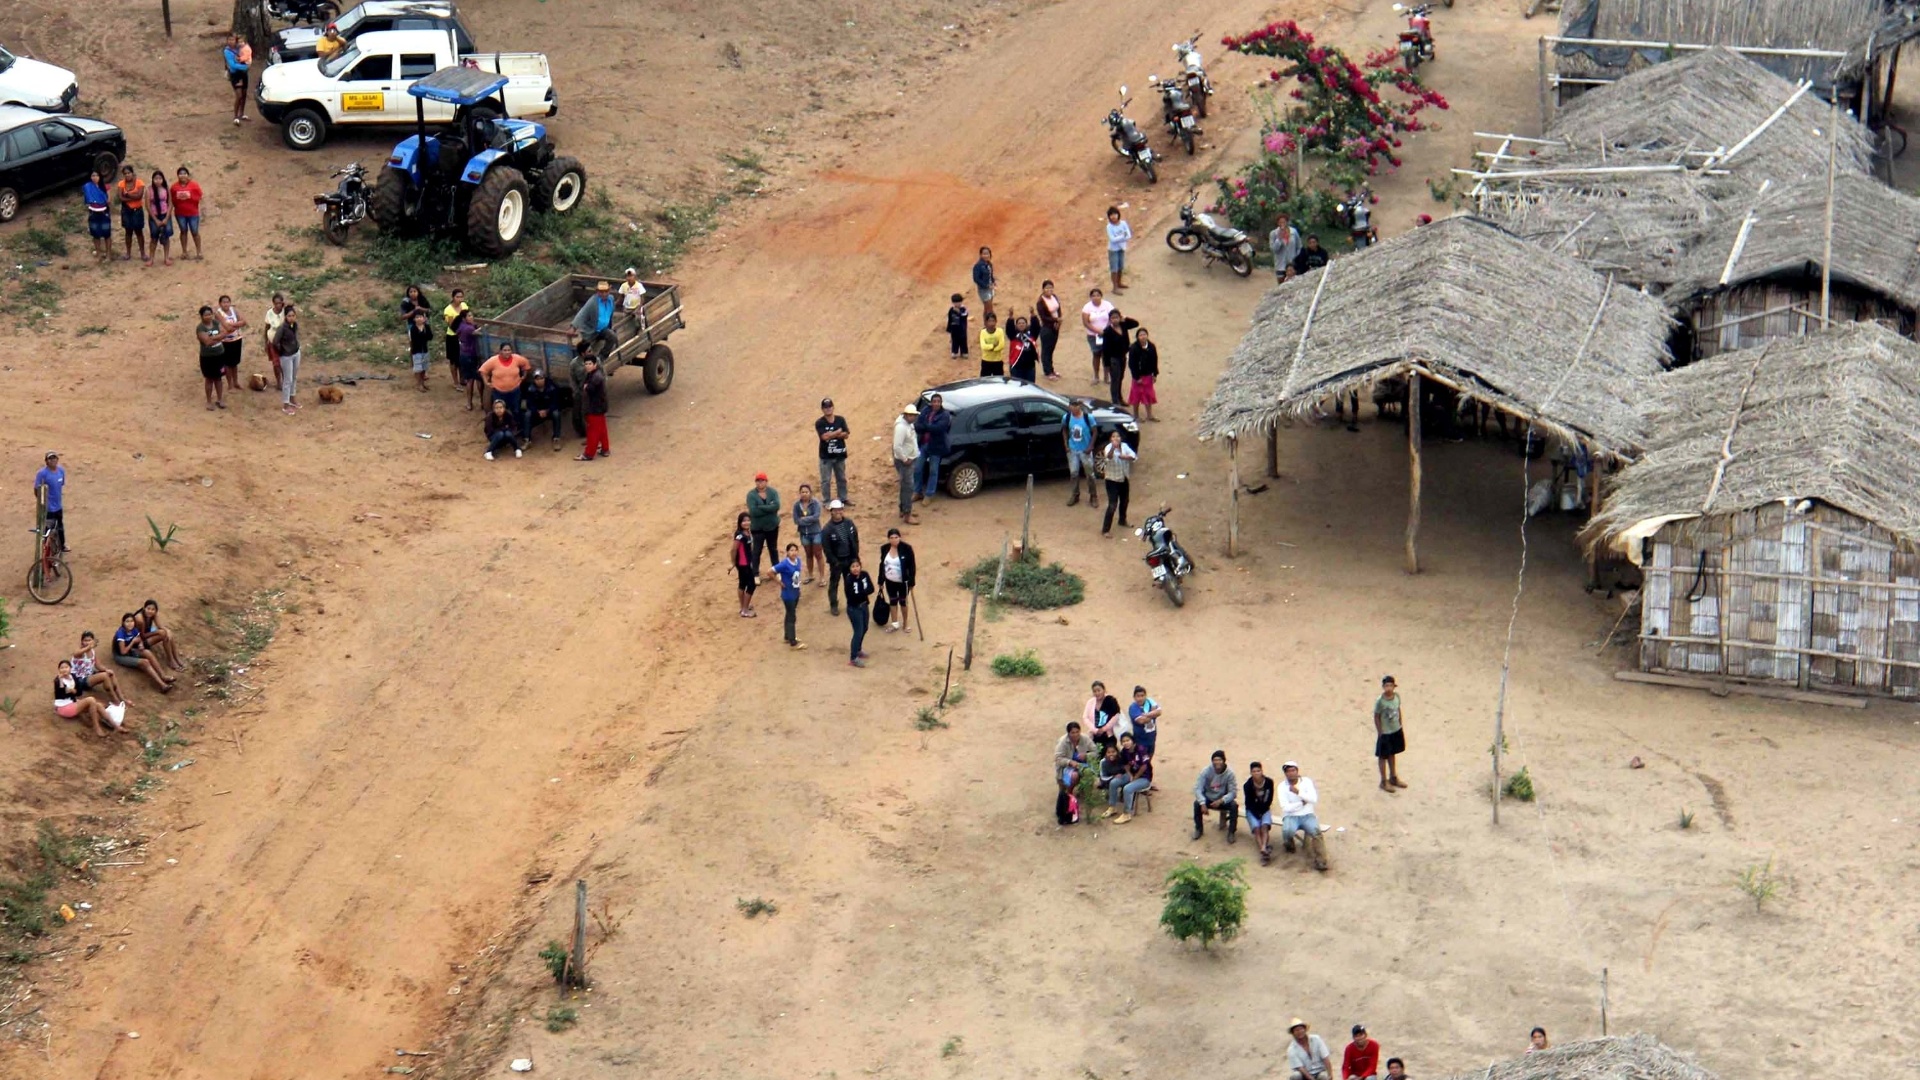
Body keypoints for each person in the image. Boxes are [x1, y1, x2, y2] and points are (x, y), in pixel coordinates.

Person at [1279, 761, 1329, 871]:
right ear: (1285, 773)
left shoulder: (1306, 782)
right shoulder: (1282, 786)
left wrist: (1299, 793)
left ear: (1297, 771)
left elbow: (1313, 799)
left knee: (1317, 833)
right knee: (1287, 831)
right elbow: (1286, 807)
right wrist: (1301, 803)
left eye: (1293, 770)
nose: (1291, 773)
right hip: (1291, 816)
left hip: (1307, 814)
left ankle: (1321, 861)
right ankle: (1289, 844)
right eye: (1288, 771)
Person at [55, 660, 121, 737]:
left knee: (98, 705)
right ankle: (97, 728)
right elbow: (61, 693)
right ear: (59, 670)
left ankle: (116, 726)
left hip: (72, 703)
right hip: (63, 707)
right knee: (91, 700)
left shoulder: (73, 677)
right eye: (62, 668)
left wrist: (73, 691)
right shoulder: (58, 680)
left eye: (66, 667)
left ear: (70, 668)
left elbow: (79, 693)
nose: (64, 669)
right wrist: (61, 682)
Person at [113, 612, 173, 691]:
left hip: (130, 650)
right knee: (145, 662)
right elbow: (123, 652)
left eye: (132, 621)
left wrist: (140, 644)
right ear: (123, 623)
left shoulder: (134, 630)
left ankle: (163, 676)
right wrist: (133, 642)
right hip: (120, 656)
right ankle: (162, 685)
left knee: (147, 652)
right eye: (127, 621)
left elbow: (139, 639)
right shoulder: (121, 633)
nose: (130, 624)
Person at [1052, 721, 1095, 824]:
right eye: (1072, 732)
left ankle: (1087, 795)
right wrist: (1070, 762)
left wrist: (1086, 756)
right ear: (1068, 733)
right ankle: (1069, 795)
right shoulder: (1063, 742)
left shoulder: (1085, 739)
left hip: (1083, 765)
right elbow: (1058, 758)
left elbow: (1095, 751)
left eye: (1077, 732)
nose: (1075, 734)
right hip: (1066, 767)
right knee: (1074, 776)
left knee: (1089, 773)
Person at [822, 500, 859, 617]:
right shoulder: (827, 529)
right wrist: (834, 561)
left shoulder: (849, 523)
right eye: (835, 510)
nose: (838, 512)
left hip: (850, 559)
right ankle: (834, 605)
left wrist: (855, 556)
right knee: (834, 583)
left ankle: (852, 602)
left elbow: (855, 539)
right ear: (831, 512)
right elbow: (826, 548)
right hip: (837, 561)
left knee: (850, 582)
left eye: (840, 510)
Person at [480, 343, 532, 427]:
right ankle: (500, 427)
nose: (507, 352)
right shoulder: (493, 360)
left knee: (516, 410)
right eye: (505, 350)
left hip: (514, 391)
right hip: (499, 392)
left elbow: (526, 364)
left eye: (509, 350)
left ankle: (516, 426)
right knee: (500, 411)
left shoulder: (517, 358)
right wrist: (486, 382)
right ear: (500, 351)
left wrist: (524, 376)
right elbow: (483, 370)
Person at [1192, 750, 1238, 842]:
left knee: (1234, 806)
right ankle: (1199, 829)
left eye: (1219, 760)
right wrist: (1202, 802)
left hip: (1222, 799)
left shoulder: (1230, 774)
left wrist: (1222, 800)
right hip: (1208, 798)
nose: (1217, 762)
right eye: (1215, 760)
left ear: (1224, 761)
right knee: (1196, 804)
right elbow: (1197, 788)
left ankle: (1231, 832)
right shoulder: (1206, 771)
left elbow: (1233, 792)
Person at [1098, 307, 1140, 406]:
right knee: (1115, 380)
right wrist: (1106, 365)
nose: (1115, 320)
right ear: (1110, 320)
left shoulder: (1123, 325)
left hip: (1122, 356)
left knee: (1120, 378)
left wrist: (1125, 318)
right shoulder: (1107, 331)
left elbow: (1136, 324)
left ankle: (1119, 398)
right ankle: (1115, 401)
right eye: (1113, 318)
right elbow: (1105, 349)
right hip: (1113, 359)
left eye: (1117, 317)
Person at [1061, 399, 1099, 509]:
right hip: (1073, 450)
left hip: (1085, 450)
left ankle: (1093, 495)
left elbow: (1095, 431)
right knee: (1074, 473)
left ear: (1080, 406)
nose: (1073, 408)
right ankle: (1075, 494)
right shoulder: (1067, 417)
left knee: (1090, 474)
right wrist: (1066, 444)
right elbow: (1064, 430)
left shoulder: (1088, 418)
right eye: (1072, 405)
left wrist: (1090, 446)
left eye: (1076, 405)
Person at [913, 393, 950, 502]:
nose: (936, 404)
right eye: (934, 401)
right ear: (931, 402)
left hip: (936, 447)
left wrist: (926, 426)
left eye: (938, 402)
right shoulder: (925, 410)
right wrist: (928, 427)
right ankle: (917, 492)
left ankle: (929, 495)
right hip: (924, 445)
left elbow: (939, 429)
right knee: (917, 468)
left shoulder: (944, 415)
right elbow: (917, 426)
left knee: (933, 471)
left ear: (941, 403)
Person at [570, 279, 620, 360]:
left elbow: (611, 311)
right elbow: (582, 313)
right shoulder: (593, 302)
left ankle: (602, 357)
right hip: (591, 330)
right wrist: (573, 327)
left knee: (612, 337)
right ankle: (581, 362)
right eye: (601, 292)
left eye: (606, 291)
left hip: (603, 330)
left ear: (609, 291)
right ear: (597, 291)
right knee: (584, 348)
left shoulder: (611, 299)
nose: (604, 294)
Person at [72, 631, 127, 705]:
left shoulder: (92, 652)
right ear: (82, 642)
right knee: (104, 676)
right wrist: (89, 647)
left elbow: (98, 665)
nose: (88, 642)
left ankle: (122, 698)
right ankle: (115, 700)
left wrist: (107, 670)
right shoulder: (80, 652)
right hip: (79, 680)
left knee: (110, 673)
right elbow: (76, 653)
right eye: (85, 640)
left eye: (90, 640)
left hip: (89, 675)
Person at [877, 527, 915, 632]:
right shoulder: (884, 548)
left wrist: (912, 581)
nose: (894, 540)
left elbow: (912, 566)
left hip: (903, 581)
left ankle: (905, 624)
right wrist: (881, 580)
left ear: (900, 537)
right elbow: (882, 565)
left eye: (896, 537)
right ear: (888, 539)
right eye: (891, 538)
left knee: (903, 602)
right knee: (892, 601)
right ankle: (894, 624)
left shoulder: (907, 548)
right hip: (890, 581)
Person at [1374, 674, 1408, 793]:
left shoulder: (1397, 697)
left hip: (1395, 729)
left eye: (1391, 685)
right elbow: (1376, 716)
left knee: (1392, 754)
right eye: (1386, 686)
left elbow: (1398, 709)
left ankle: (1393, 777)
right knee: (1383, 756)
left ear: (1394, 687)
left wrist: (1400, 723)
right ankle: (1384, 781)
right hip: (1385, 732)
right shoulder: (1380, 701)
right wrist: (1380, 731)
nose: (1389, 688)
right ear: (1383, 687)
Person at [1100, 429, 1137, 536]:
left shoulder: (1125, 446)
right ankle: (1105, 530)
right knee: (1112, 505)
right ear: (1110, 439)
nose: (1116, 438)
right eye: (1113, 437)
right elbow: (1109, 457)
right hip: (1112, 480)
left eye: (1118, 436)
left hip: (1123, 478)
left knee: (1125, 501)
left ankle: (1122, 520)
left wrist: (1125, 457)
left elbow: (1133, 456)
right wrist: (1113, 447)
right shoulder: (1108, 448)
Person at [815, 398, 851, 505]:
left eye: (830, 406)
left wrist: (832, 434)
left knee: (841, 478)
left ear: (833, 407)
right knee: (825, 480)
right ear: (822, 409)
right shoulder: (820, 422)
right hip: (826, 457)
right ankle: (826, 501)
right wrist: (838, 432)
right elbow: (824, 437)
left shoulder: (840, 419)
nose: (828, 409)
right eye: (826, 407)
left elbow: (847, 434)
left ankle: (843, 498)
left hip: (839, 454)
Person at [1111, 731, 1152, 822]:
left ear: (1132, 740)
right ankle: (1112, 807)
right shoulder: (1124, 751)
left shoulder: (1141, 749)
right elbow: (1125, 764)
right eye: (1123, 741)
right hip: (1132, 775)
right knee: (1114, 782)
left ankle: (1127, 814)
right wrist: (1129, 774)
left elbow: (1144, 766)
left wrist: (1135, 777)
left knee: (1127, 789)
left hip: (1144, 778)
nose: (1126, 743)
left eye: (1128, 740)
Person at [746, 473, 783, 574]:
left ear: (766, 481)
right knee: (757, 551)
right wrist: (769, 508)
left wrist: (761, 507)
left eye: (762, 480)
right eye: (757, 481)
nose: (760, 483)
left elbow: (776, 506)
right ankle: (755, 573)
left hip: (772, 527)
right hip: (757, 528)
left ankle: (776, 571)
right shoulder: (751, 495)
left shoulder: (773, 492)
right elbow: (753, 512)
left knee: (773, 549)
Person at [135, 599, 185, 672]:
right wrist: (157, 632)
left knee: (167, 634)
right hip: (139, 641)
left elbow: (160, 626)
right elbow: (142, 636)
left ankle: (176, 658)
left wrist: (167, 630)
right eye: (148, 609)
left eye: (153, 609)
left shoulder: (153, 614)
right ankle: (171, 660)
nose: (150, 611)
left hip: (146, 634)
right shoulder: (140, 619)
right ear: (144, 608)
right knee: (163, 634)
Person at [773, 542, 805, 649]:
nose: (793, 552)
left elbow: (797, 577)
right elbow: (770, 571)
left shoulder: (798, 561)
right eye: (791, 550)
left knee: (789, 614)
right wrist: (779, 582)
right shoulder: (784, 564)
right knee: (792, 616)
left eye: (795, 550)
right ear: (787, 552)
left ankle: (787, 636)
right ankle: (792, 641)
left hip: (795, 592)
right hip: (788, 594)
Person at [273, 303, 303, 414]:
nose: (291, 318)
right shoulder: (282, 328)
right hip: (286, 356)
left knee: (294, 377)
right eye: (289, 316)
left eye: (293, 315)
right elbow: (275, 341)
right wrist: (282, 351)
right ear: (285, 317)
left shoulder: (294, 325)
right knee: (287, 380)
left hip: (295, 353)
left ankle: (292, 399)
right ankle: (285, 405)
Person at [844, 556, 874, 667]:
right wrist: (863, 593)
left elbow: (871, 588)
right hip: (854, 608)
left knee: (865, 628)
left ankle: (858, 650)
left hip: (864, 605)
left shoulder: (864, 574)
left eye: (857, 566)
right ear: (850, 568)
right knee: (858, 631)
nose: (856, 569)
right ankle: (853, 658)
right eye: (853, 567)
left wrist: (861, 593)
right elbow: (851, 596)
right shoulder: (849, 579)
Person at [33, 451, 66, 554]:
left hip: (58, 506)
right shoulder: (42, 473)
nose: (53, 460)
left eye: (54, 458)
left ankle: (62, 546)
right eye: (50, 459)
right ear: (46, 462)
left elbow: (61, 485)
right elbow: (37, 489)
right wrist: (43, 502)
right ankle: (45, 551)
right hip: (48, 508)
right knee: (47, 530)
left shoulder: (61, 471)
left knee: (60, 527)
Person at [196, 306, 228, 411]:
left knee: (218, 378)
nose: (209, 316)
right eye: (206, 315)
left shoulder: (215, 323)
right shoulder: (200, 328)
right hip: (207, 357)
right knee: (209, 379)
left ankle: (220, 399)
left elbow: (224, 333)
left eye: (210, 314)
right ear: (201, 316)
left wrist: (213, 338)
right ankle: (209, 401)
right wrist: (219, 337)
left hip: (219, 355)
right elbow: (207, 342)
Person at [523, 370, 566, 449]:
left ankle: (556, 438)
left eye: (541, 378)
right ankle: (527, 440)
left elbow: (556, 402)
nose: (539, 381)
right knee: (527, 415)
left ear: (544, 379)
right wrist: (537, 411)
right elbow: (529, 404)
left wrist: (547, 410)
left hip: (549, 410)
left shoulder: (552, 387)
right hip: (537, 411)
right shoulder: (530, 389)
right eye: (537, 379)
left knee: (556, 414)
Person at [892, 405, 919, 525]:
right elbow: (897, 446)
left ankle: (903, 509)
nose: (913, 417)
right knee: (908, 487)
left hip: (909, 459)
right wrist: (905, 459)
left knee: (905, 486)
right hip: (906, 461)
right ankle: (907, 514)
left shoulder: (907, 424)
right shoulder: (901, 427)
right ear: (906, 415)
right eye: (911, 415)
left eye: (914, 415)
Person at [1245, 761, 1277, 864]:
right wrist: (1256, 813)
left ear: (1262, 771)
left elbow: (1269, 799)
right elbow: (1248, 802)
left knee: (1265, 827)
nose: (1256, 773)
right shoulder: (1248, 785)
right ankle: (1263, 849)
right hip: (1252, 810)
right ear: (1251, 773)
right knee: (1257, 829)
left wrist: (1262, 811)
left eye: (1258, 771)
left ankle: (1263, 848)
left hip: (1265, 808)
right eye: (1254, 771)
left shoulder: (1268, 782)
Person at [1080, 287, 1115, 382]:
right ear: (1090, 297)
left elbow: (1113, 317)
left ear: (1101, 296)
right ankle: (1096, 376)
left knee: (1106, 355)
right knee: (1096, 354)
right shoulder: (1087, 307)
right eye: (1093, 296)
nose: (1096, 297)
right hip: (1093, 335)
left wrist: (1105, 330)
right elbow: (1086, 322)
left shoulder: (1107, 305)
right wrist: (1097, 331)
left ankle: (1106, 376)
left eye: (1098, 295)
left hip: (1107, 334)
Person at [792, 484, 824, 585]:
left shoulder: (816, 503)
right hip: (804, 534)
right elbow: (796, 520)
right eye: (802, 492)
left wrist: (803, 519)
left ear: (810, 493)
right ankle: (810, 575)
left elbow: (816, 517)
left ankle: (822, 577)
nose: (804, 494)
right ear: (800, 493)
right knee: (808, 554)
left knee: (818, 554)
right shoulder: (797, 505)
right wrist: (808, 520)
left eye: (806, 492)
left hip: (816, 532)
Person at [578, 356, 610, 460]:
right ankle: (605, 449)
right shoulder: (595, 374)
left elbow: (589, 389)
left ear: (595, 364)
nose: (588, 366)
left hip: (595, 408)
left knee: (593, 431)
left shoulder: (596, 377)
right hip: (600, 407)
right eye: (586, 364)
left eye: (590, 364)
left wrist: (586, 387)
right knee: (602, 429)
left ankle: (589, 454)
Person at [215, 294, 247, 393]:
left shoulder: (234, 310)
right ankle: (230, 385)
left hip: (236, 339)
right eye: (224, 302)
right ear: (220, 304)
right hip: (226, 342)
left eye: (228, 302)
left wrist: (232, 325)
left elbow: (244, 321)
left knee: (235, 363)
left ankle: (236, 382)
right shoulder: (218, 314)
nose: (226, 304)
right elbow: (226, 328)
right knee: (228, 364)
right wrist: (237, 325)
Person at [115, 165, 147, 264]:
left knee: (139, 232)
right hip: (127, 210)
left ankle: (143, 253)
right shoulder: (121, 183)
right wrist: (133, 196)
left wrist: (128, 195)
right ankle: (128, 252)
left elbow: (140, 196)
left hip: (136, 210)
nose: (127, 175)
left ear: (132, 173)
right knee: (128, 232)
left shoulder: (139, 182)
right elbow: (121, 198)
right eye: (125, 173)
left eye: (129, 173)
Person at [1127, 327, 1159, 422]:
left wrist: (1155, 374)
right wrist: (1136, 377)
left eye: (1144, 334)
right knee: (1136, 396)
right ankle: (1136, 416)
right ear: (1137, 337)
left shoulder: (1151, 346)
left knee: (1148, 395)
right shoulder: (1133, 348)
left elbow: (1155, 361)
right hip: (1138, 377)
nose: (1143, 337)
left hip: (1148, 375)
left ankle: (1150, 415)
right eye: (1140, 335)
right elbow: (1132, 364)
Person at [172, 166, 204, 260]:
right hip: (180, 213)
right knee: (183, 231)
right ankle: (184, 252)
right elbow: (172, 199)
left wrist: (190, 197)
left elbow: (199, 197)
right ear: (178, 175)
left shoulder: (194, 186)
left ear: (188, 175)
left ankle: (199, 252)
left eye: (184, 173)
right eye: (180, 174)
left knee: (195, 232)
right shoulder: (174, 187)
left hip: (193, 213)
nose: (182, 175)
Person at [144, 169, 174, 267]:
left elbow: (170, 204)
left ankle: (166, 257)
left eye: (159, 178)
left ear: (163, 179)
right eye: (155, 179)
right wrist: (155, 219)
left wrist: (166, 218)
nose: (157, 181)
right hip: (154, 216)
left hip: (165, 214)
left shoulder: (166, 189)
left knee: (166, 236)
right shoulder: (149, 190)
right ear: (152, 180)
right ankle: (151, 258)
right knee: (154, 237)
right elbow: (148, 206)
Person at [1035, 280, 1063, 379]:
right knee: (1046, 350)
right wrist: (1056, 320)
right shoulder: (1040, 302)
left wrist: (1059, 320)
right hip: (1047, 328)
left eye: (1051, 287)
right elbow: (1044, 317)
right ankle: (1047, 371)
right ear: (1043, 289)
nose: (1049, 290)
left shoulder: (1054, 297)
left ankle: (1051, 369)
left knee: (1051, 349)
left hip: (1055, 326)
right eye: (1047, 288)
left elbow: (1059, 309)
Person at [443, 288, 471, 388]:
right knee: (453, 360)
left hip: (463, 335)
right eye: (457, 297)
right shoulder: (448, 310)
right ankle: (455, 382)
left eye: (461, 297)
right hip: (452, 336)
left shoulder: (464, 306)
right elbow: (451, 325)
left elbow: (468, 318)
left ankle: (462, 378)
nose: (459, 299)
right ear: (453, 297)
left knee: (461, 358)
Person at [731, 512, 757, 618]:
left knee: (742, 584)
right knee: (751, 585)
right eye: (744, 521)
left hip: (746, 563)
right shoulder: (740, 535)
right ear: (740, 522)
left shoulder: (747, 532)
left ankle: (743, 607)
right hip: (743, 564)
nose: (746, 522)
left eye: (748, 520)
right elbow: (733, 550)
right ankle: (745, 610)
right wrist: (733, 563)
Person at [455, 308, 482, 410]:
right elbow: (479, 332)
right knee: (478, 380)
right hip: (471, 356)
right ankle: (482, 403)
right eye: (469, 316)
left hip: (464, 354)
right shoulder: (469, 329)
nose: (472, 317)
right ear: (463, 318)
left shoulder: (462, 326)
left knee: (470, 379)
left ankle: (469, 404)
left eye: (472, 315)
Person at [222, 34, 251, 125]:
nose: (231, 42)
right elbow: (232, 65)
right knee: (239, 95)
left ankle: (241, 113)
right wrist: (245, 67)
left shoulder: (240, 47)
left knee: (244, 93)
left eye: (233, 40)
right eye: (229, 40)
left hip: (243, 74)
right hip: (235, 75)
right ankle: (235, 116)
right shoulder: (227, 51)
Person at [1084, 680, 1122, 751]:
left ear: (1104, 690)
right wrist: (1095, 730)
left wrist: (1104, 729)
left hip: (1108, 735)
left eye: (1099, 690)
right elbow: (1085, 717)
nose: (1097, 693)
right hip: (1094, 735)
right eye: (1094, 691)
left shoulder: (1110, 700)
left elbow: (1116, 715)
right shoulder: (1090, 702)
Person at [82, 170, 112, 260]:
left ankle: (108, 255)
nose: (95, 177)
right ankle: (98, 253)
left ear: (100, 176)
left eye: (96, 175)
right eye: (93, 175)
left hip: (103, 212)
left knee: (107, 234)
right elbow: (87, 200)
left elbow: (109, 200)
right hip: (93, 213)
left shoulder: (105, 187)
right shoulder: (88, 187)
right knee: (95, 234)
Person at [1128, 685, 1161, 758]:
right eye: (1138, 696)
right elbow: (1142, 721)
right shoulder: (1133, 708)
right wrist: (1153, 713)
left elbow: (1159, 712)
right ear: (1134, 697)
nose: (1140, 698)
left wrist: (1147, 714)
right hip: (1140, 741)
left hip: (1151, 738)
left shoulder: (1149, 703)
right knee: (1142, 761)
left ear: (1145, 696)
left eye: (1142, 696)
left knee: (1149, 758)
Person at [262, 292, 287, 388]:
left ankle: (286, 381)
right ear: (273, 303)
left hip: (284, 343)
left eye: (280, 303)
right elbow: (267, 327)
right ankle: (279, 382)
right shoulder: (269, 313)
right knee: (276, 364)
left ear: (282, 303)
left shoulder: (286, 312)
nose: (278, 305)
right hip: (273, 342)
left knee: (285, 363)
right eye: (276, 303)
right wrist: (265, 342)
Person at [1007, 312, 1040, 383]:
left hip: (1030, 367)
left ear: (1027, 325)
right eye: (1019, 323)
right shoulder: (1013, 336)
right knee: (1017, 387)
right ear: (1016, 325)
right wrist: (1010, 318)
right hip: (1016, 367)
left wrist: (1033, 316)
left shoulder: (1031, 335)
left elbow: (1036, 327)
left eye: (1023, 323)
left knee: (1030, 387)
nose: (1021, 324)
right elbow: (1009, 328)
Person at [1270, 213, 1303, 284]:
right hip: (1280, 264)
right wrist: (1279, 238)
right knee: (1281, 285)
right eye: (1280, 222)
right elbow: (1274, 249)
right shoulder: (1274, 233)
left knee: (1292, 284)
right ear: (1277, 223)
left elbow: (1299, 246)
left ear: (1287, 222)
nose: (1282, 224)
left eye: (1284, 222)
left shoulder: (1293, 232)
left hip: (1292, 264)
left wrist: (1296, 257)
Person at [1105, 206, 1132, 291]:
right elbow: (1112, 240)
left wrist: (1120, 237)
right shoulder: (1109, 227)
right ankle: (1115, 287)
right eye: (1111, 215)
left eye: (1115, 214)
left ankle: (1119, 283)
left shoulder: (1123, 223)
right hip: (1113, 250)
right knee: (1114, 269)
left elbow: (1128, 235)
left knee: (1121, 267)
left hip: (1121, 248)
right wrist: (1122, 236)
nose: (1113, 217)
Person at [406, 308, 434, 392]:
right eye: (417, 317)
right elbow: (415, 340)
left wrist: (426, 328)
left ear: (424, 318)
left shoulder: (426, 327)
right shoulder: (413, 329)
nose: (419, 319)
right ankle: (419, 384)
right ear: (414, 319)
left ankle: (422, 383)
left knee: (424, 368)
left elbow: (430, 337)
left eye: (420, 317)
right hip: (416, 351)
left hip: (425, 350)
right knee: (418, 369)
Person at [977, 312, 1008, 378]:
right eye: (989, 321)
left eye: (993, 321)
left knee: (998, 381)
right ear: (986, 322)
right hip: (986, 361)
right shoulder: (983, 332)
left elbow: (1001, 345)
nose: (991, 323)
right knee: (984, 382)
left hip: (997, 361)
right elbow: (983, 346)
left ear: (996, 321)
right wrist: (993, 346)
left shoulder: (1000, 331)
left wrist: (990, 349)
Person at [971, 246, 996, 319]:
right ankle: (989, 325)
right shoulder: (978, 266)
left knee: (987, 308)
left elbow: (990, 275)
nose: (986, 255)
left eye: (987, 254)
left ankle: (986, 325)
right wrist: (986, 286)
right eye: (984, 254)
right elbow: (976, 279)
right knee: (990, 310)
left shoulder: (989, 264)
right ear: (980, 255)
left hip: (990, 288)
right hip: (983, 290)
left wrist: (993, 282)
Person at [944, 293, 969, 359]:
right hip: (954, 329)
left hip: (962, 329)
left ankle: (964, 352)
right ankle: (954, 352)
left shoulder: (963, 309)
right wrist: (949, 329)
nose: (957, 304)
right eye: (955, 303)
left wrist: (959, 312)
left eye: (958, 302)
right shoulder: (951, 310)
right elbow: (950, 319)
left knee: (963, 341)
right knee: (954, 341)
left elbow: (965, 315)